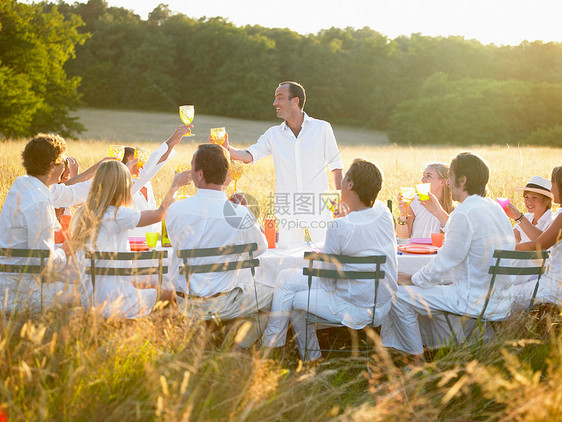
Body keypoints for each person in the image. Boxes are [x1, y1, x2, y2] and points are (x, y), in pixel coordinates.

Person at [262, 158, 398, 361]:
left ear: (350, 184)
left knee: (290, 294)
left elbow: (327, 284)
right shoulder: (384, 212)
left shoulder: (339, 227)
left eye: (345, 179)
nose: (341, 182)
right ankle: (291, 351)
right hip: (382, 302)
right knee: (286, 279)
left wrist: (341, 220)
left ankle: (280, 351)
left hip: (355, 307)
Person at [381, 152, 516, 357]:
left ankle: (415, 360)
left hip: (471, 298)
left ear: (462, 180)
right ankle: (465, 345)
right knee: (432, 286)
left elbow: (445, 261)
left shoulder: (465, 212)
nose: (449, 183)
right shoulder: (494, 209)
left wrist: (413, 279)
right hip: (500, 297)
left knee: (398, 296)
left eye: (451, 177)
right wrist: (436, 209)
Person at [165, 144, 273, 347]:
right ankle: (237, 345)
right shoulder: (239, 214)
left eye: (192, 167)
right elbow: (261, 248)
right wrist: (247, 214)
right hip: (223, 302)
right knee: (275, 294)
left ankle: (207, 337)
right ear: (225, 175)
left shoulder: (175, 210)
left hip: (185, 302)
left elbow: (175, 242)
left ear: (200, 175)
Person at [223, 81, 343, 241]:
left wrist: (341, 201)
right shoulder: (273, 134)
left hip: (319, 209)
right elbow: (249, 155)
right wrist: (227, 148)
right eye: (275, 98)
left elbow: (336, 167)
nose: (275, 103)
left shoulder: (322, 128)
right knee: (289, 259)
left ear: (295, 101)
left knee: (327, 258)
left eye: (280, 98)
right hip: (288, 211)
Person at [71, 160, 190, 319]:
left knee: (147, 286)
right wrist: (175, 184)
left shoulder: (81, 212)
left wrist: (122, 170)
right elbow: (160, 214)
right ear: (122, 186)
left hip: (89, 297)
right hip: (112, 300)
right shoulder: (117, 214)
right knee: (171, 294)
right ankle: (155, 336)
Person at [0, 134, 91, 312]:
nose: (65, 168)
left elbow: (70, 193)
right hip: (23, 293)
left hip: (9, 282)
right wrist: (67, 248)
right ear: (52, 166)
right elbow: (43, 262)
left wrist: (107, 175)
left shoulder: (24, 184)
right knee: (91, 289)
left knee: (79, 274)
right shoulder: (38, 202)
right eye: (63, 163)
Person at [122, 125, 191, 237]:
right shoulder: (123, 187)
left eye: (139, 161)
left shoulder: (147, 184)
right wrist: (171, 141)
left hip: (154, 243)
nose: (138, 166)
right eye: (133, 163)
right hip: (133, 246)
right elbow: (151, 165)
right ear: (122, 168)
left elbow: (157, 214)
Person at [514, 166, 562, 306]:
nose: (551, 190)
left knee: (501, 297)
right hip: (551, 282)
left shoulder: (559, 217)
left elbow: (538, 245)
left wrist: (505, 247)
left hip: (554, 285)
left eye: (553, 184)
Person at [396, 162, 454, 239]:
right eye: (423, 175)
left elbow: (456, 234)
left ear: (443, 182)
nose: (422, 180)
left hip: (439, 251)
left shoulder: (454, 208)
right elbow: (403, 236)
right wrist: (403, 214)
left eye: (428, 176)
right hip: (415, 250)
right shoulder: (415, 201)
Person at [504, 176, 554, 243]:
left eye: (534, 197)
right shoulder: (528, 217)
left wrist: (519, 218)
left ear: (547, 200)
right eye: (526, 197)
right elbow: (513, 236)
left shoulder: (553, 221)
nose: (529, 201)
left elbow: (542, 243)